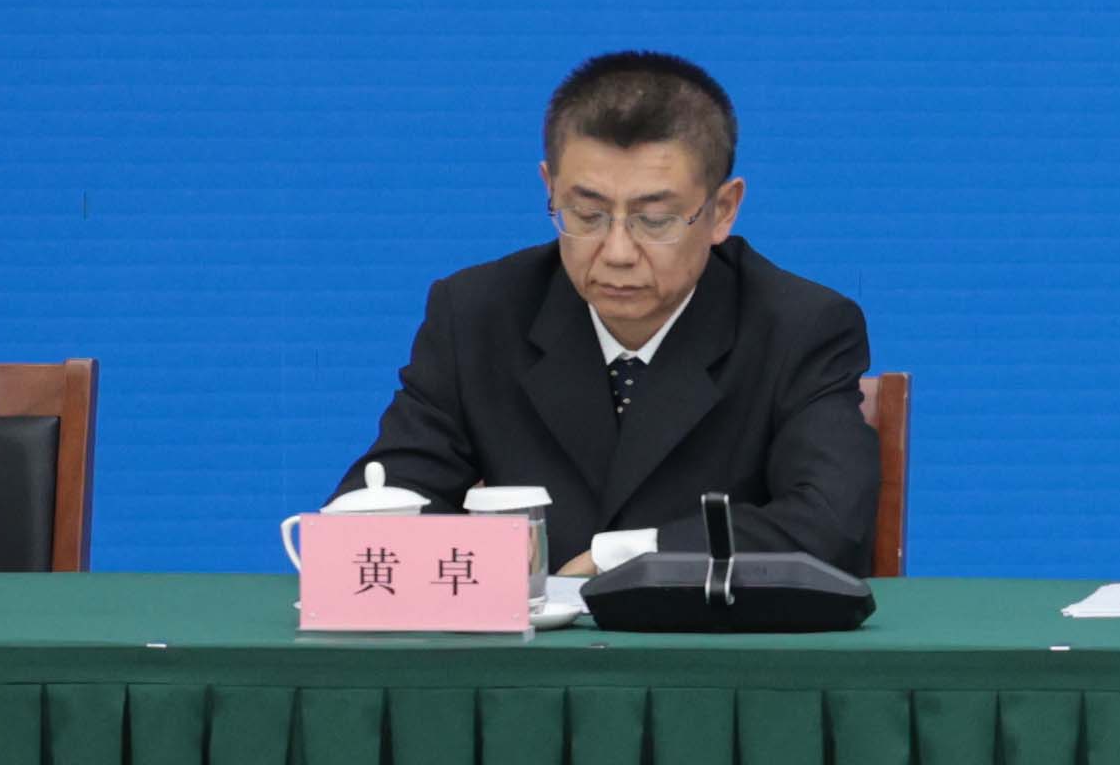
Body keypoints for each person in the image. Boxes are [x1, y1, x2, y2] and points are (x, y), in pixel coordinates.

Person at [346, 50, 883, 566]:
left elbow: (830, 523)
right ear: (550, 188)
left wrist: (625, 556)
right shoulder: (476, 315)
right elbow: (384, 504)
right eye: (587, 214)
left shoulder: (799, 328)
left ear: (723, 210)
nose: (618, 252)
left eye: (655, 220)